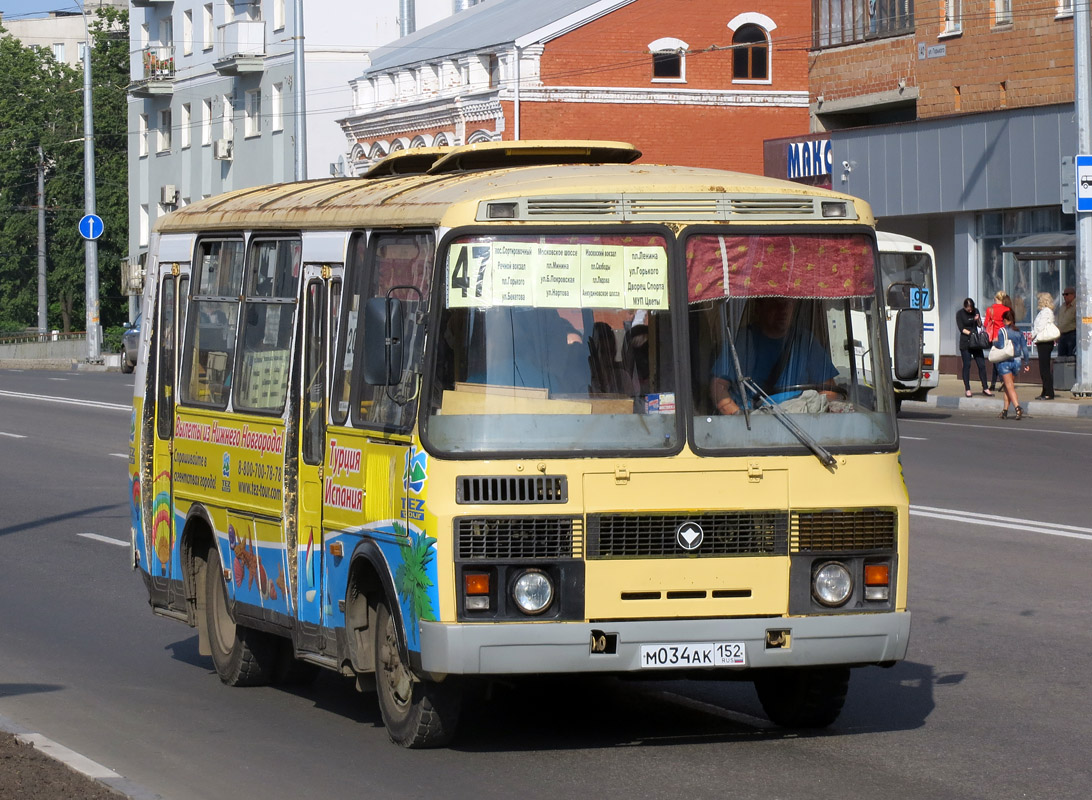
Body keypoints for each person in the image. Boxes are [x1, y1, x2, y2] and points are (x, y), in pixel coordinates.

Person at [711, 296, 837, 415]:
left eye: (787, 304)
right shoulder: (743, 342)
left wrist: (812, 413)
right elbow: (718, 387)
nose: (783, 310)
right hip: (755, 424)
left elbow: (830, 390)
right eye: (776, 304)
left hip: (800, 423)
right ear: (760, 308)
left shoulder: (805, 341)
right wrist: (739, 416)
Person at [994, 309, 1030, 420]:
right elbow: (1025, 349)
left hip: (1005, 361)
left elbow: (1000, 346)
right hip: (1017, 361)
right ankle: (1004, 411)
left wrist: (995, 341)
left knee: (1009, 386)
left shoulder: (1002, 331)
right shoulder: (1019, 332)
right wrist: (1027, 363)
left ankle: (1017, 407)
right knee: (1008, 387)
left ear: (1005, 320)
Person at [956, 297, 991, 397]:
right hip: (966, 342)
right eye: (968, 309)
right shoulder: (960, 314)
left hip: (976, 342)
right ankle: (967, 389)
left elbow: (980, 325)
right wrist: (971, 333)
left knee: (982, 365)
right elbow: (961, 328)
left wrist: (978, 319)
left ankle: (985, 387)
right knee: (967, 365)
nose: (970, 310)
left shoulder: (975, 311)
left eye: (971, 308)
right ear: (965, 307)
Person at [1030, 291, 1058, 400]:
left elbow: (1040, 326)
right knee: (1043, 368)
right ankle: (1045, 391)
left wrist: (1032, 335)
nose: (1038, 301)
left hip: (1045, 342)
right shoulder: (1044, 311)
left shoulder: (1046, 312)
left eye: (1039, 299)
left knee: (1044, 368)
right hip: (1043, 342)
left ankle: (1049, 393)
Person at [984, 290, 1012, 392]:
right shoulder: (1007, 309)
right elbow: (1009, 324)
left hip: (994, 336)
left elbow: (986, 323)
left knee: (996, 360)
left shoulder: (990, 309)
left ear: (996, 298)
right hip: (1004, 336)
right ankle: (997, 382)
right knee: (1000, 359)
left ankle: (998, 382)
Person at [1056, 286, 1076, 358]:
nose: (1065, 296)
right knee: (1061, 357)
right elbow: (1059, 320)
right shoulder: (1063, 306)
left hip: (1072, 335)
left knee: (1070, 357)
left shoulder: (1077, 306)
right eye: (1063, 294)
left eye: (1067, 294)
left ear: (1073, 295)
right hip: (1062, 336)